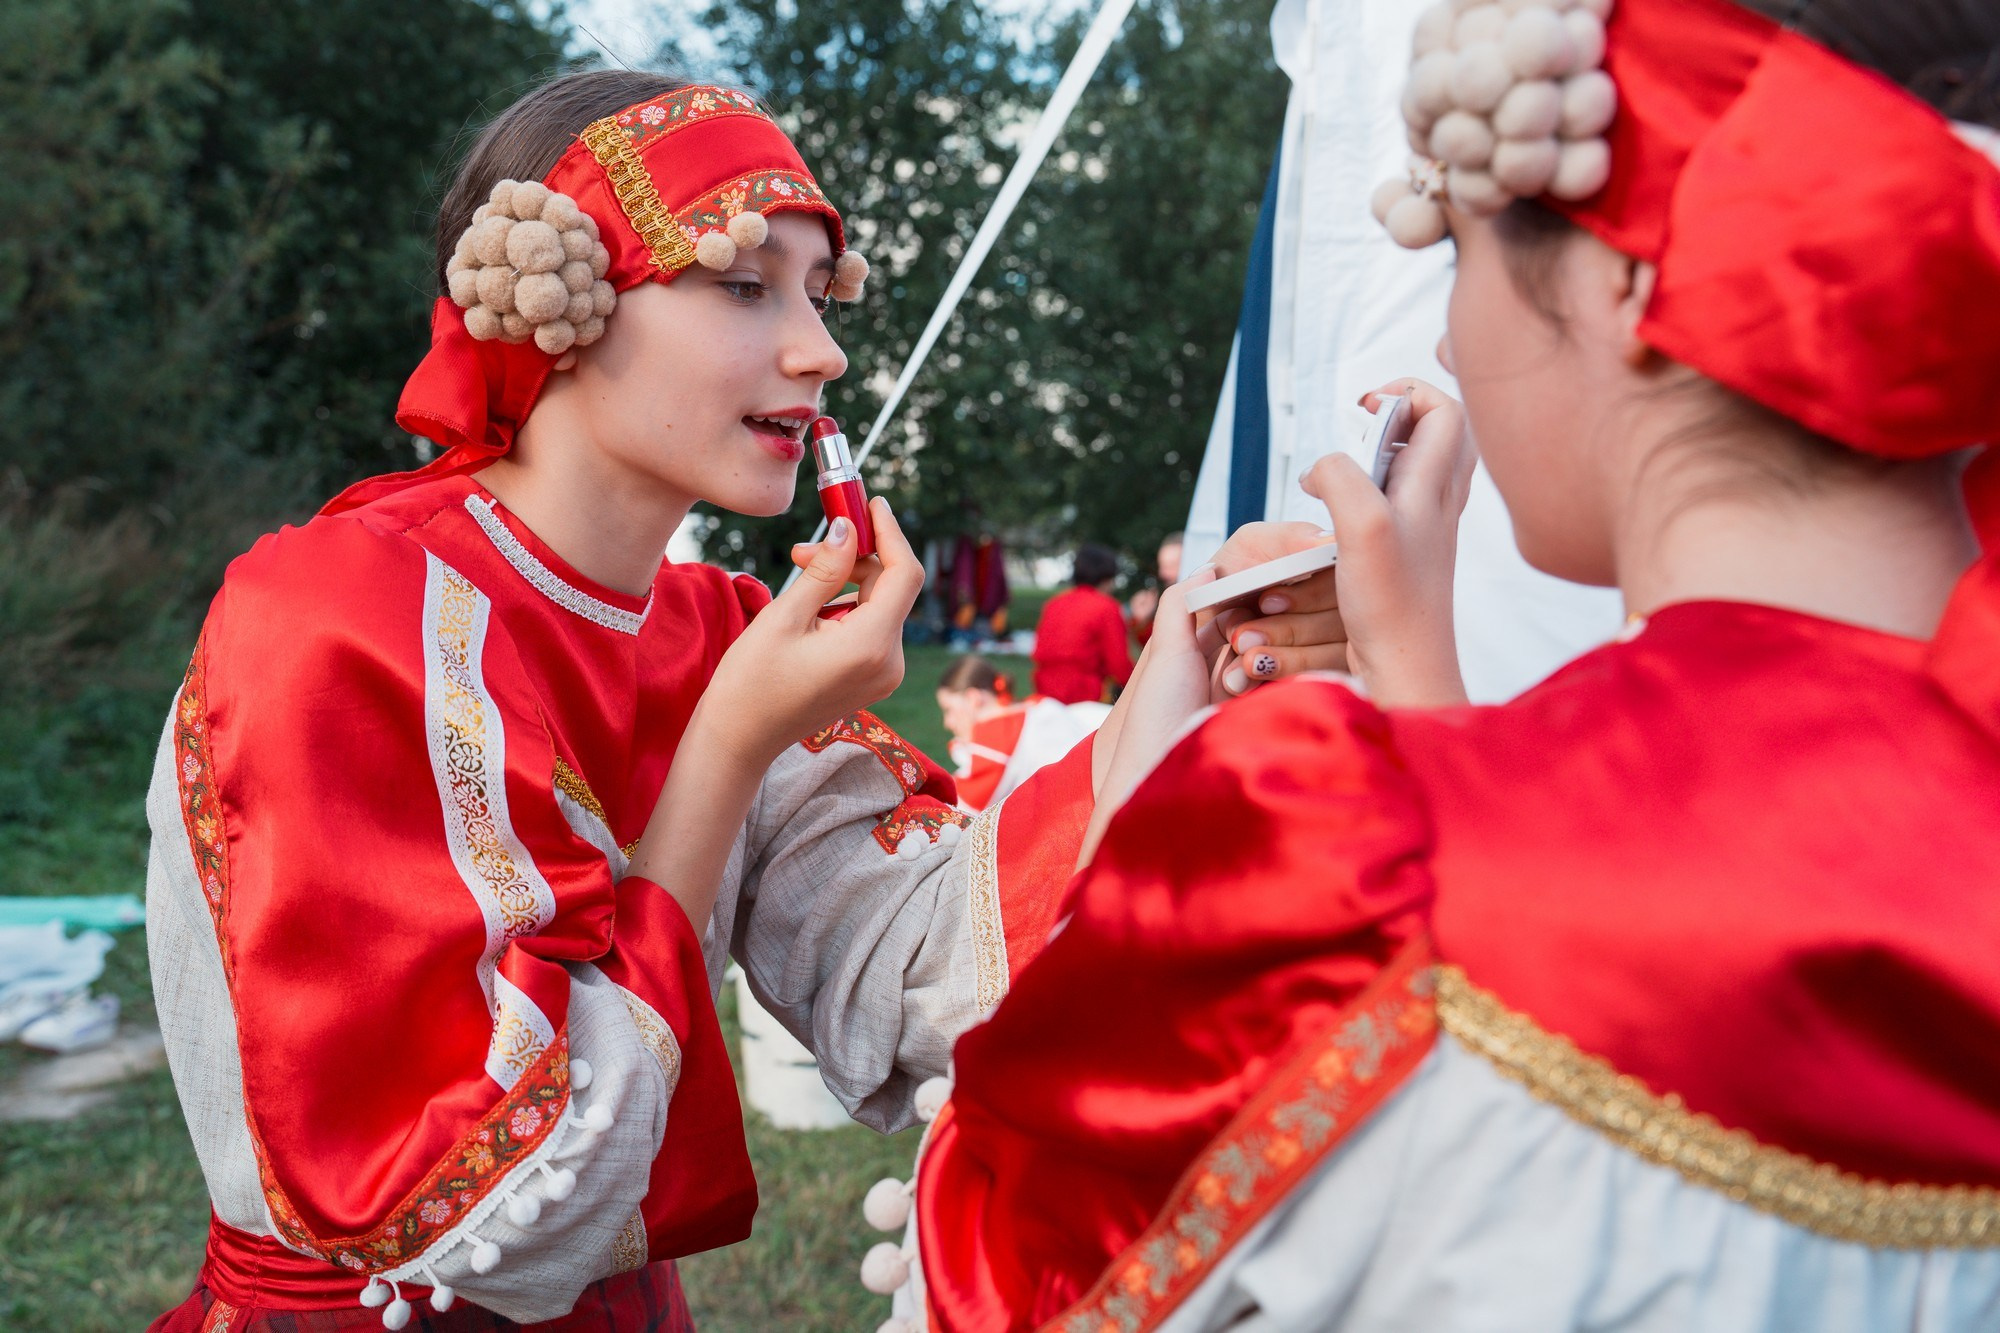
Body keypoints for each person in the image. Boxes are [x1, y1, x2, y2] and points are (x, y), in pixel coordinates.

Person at [141, 71, 1342, 1332]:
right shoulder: (338, 618)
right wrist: (726, 742)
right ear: (563, 302)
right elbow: (476, 1206)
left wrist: (1177, 679)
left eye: (819, 297)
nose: (821, 351)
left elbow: (921, 970)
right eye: (742, 285)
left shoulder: (711, 625)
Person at [906, 1, 2000, 1329]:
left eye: (1456, 253)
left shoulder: (1333, 859)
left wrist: (1139, 814)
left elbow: (1008, 1261)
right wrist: (1419, 685)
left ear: (1631, 287)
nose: (1445, 339)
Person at [936, 656, 1109, 814]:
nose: (947, 723)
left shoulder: (999, 742)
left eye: (949, 710)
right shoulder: (1036, 708)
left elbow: (954, 808)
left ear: (973, 698)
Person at [1030, 543, 1135, 703]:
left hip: (1045, 692)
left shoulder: (1054, 604)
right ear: (1107, 578)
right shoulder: (1106, 606)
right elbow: (1119, 665)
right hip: (1085, 694)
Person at [1124, 530, 1183, 647]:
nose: (1163, 574)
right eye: (1162, 566)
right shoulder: (1168, 601)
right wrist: (1141, 620)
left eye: (1171, 566)